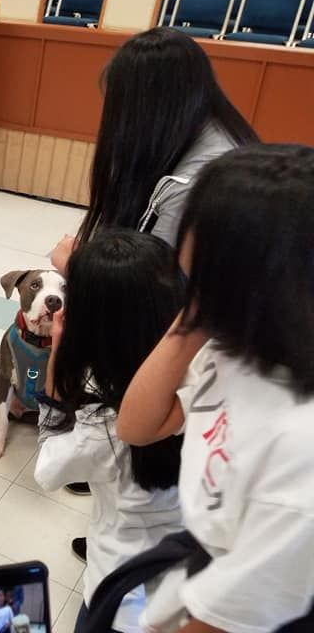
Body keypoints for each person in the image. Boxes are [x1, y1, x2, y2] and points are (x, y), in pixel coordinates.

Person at [47, 27, 257, 549]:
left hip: (184, 351)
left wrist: (78, 270)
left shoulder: (197, 182)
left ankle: (133, 532)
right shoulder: (208, 141)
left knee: (149, 446)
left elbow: (144, 291)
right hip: (196, 358)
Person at [117, 145, 314, 633]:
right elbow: (137, 425)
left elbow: (234, 619)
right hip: (204, 567)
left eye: (197, 274)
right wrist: (197, 315)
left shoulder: (299, 444)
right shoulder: (234, 347)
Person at [35, 231, 185, 633]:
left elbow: (48, 469)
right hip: (193, 582)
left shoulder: (103, 430)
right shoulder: (206, 384)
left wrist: (57, 361)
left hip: (121, 596)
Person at [50, 27, 258, 274]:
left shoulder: (192, 186)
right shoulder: (217, 131)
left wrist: (75, 267)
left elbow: (151, 296)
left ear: (149, 109)